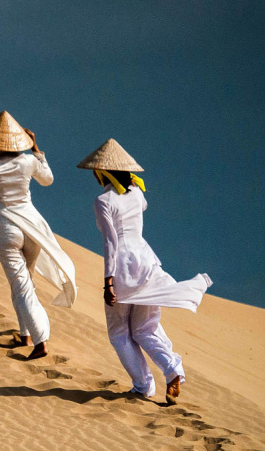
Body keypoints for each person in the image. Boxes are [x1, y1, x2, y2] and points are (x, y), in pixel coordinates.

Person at [78, 138, 212, 403]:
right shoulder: (137, 193)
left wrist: (108, 283)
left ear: (102, 172)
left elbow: (110, 242)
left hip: (122, 269)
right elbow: (141, 207)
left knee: (119, 333)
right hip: (147, 265)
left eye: (96, 170)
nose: (93, 174)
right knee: (144, 329)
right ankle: (173, 371)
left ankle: (143, 386)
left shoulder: (103, 201)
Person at [0, 112, 76, 360]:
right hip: (32, 227)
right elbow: (48, 179)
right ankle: (25, 334)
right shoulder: (27, 161)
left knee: (21, 286)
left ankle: (40, 340)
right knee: (24, 282)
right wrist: (37, 149)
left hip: (5, 227)